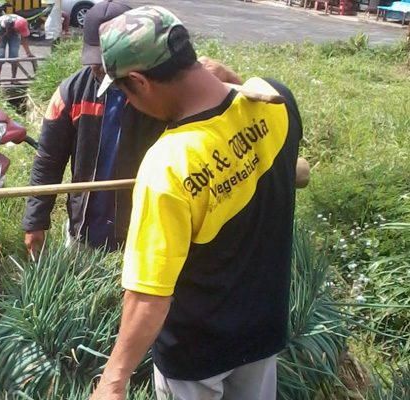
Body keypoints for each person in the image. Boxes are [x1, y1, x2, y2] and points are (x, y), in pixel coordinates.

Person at [91, 6, 304, 400]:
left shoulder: (168, 167)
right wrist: (234, 79)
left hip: (195, 356)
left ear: (138, 81)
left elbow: (149, 296)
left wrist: (113, 380)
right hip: (262, 336)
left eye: (123, 91)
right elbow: (244, 115)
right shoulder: (278, 102)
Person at [21, 0, 242, 259]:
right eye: (97, 65)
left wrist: (228, 76)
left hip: (147, 234)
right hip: (84, 233)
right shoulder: (71, 94)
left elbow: (226, 123)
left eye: (111, 64)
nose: (105, 73)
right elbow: (48, 159)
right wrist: (35, 220)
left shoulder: (160, 92)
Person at [0, 13, 34, 80]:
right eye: (18, 31)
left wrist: (28, 52)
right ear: (14, 27)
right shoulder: (2, 24)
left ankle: (14, 78)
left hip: (14, 32)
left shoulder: (24, 23)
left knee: (14, 55)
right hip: (3, 31)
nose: (19, 33)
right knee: (0, 55)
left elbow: (24, 39)